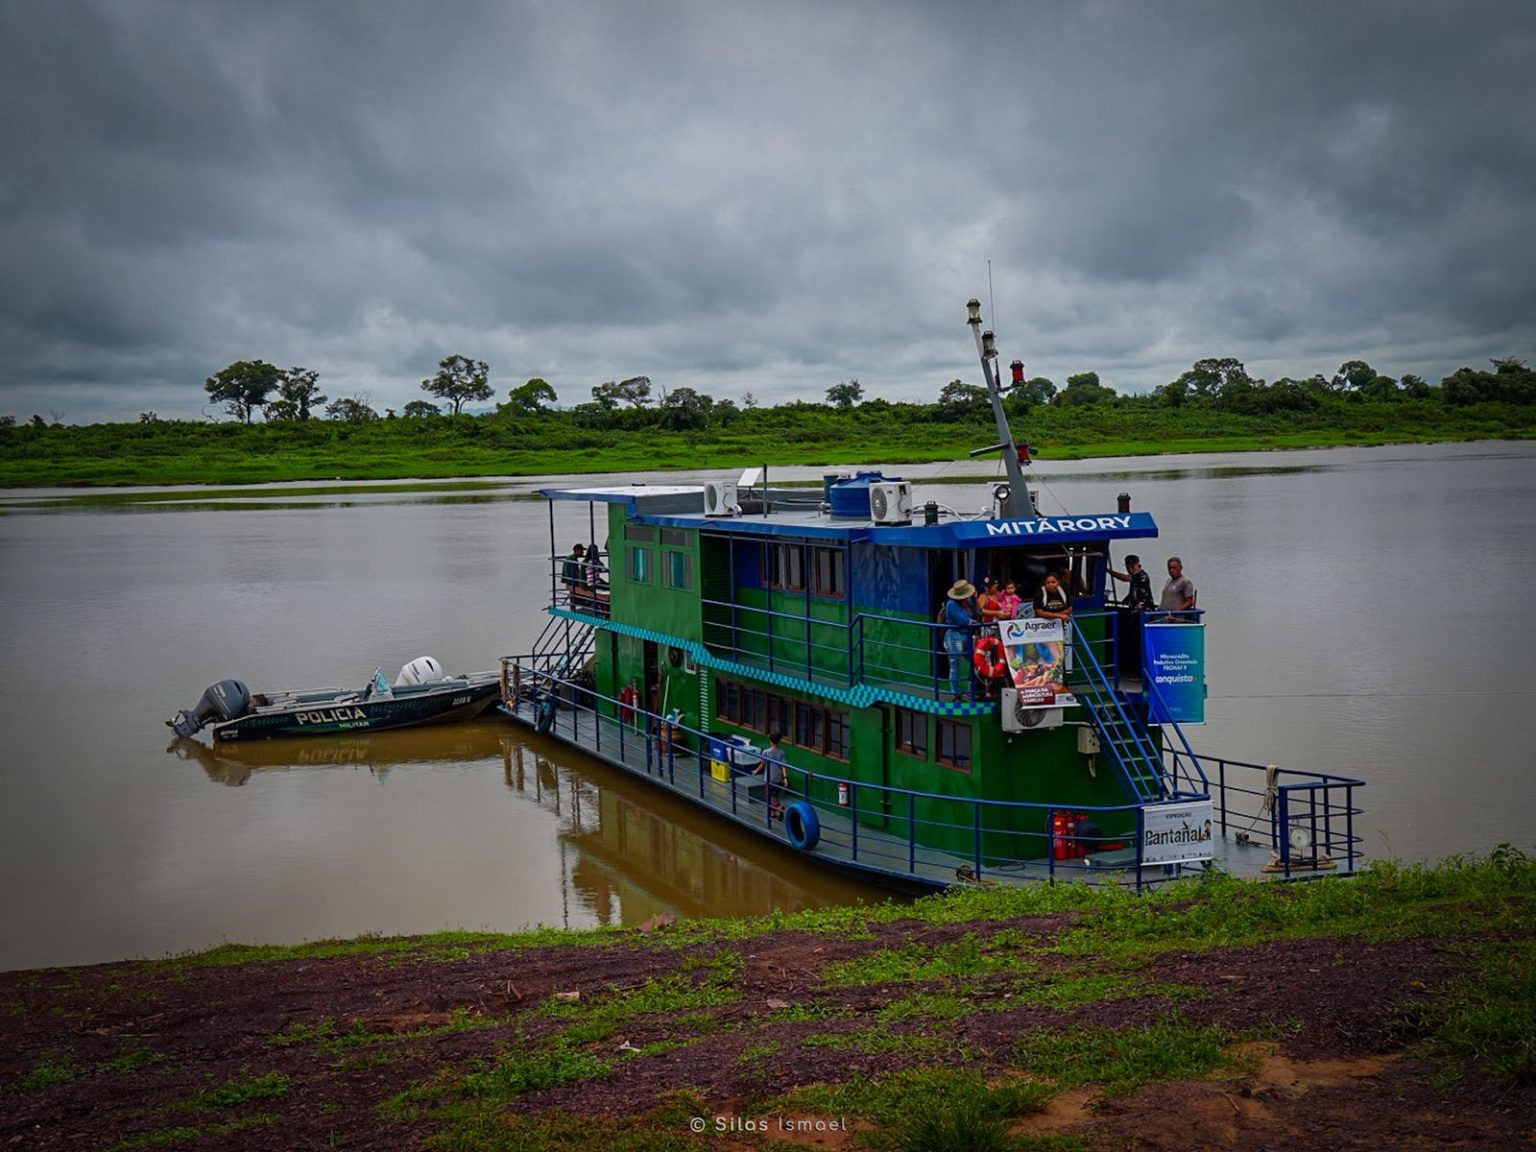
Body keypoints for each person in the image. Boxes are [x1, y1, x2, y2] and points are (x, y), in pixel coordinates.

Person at [939, 579, 978, 698]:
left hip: (967, 635)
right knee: (955, 664)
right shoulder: (951, 604)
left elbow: (978, 613)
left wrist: (975, 600)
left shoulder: (967, 602)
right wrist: (972, 621)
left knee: (976, 660)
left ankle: (970, 690)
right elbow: (964, 620)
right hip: (954, 636)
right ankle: (955, 693)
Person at [755, 730, 790, 818]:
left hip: (769, 778)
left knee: (769, 796)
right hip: (778, 778)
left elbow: (762, 764)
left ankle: (779, 807)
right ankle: (773, 814)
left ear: (770, 741)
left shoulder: (766, 752)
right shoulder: (781, 752)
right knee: (775, 795)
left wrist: (756, 771)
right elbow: (784, 766)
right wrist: (785, 778)